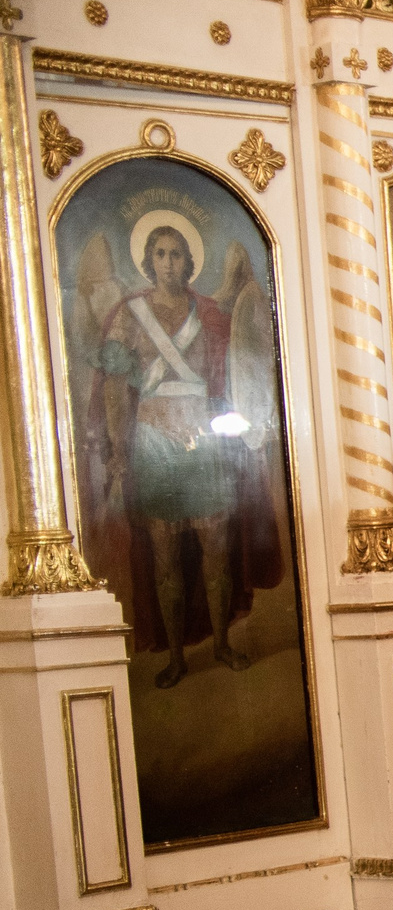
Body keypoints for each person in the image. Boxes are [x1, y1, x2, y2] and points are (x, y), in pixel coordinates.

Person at [85, 220, 280, 688]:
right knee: (165, 556)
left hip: (205, 443)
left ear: (188, 262)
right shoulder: (130, 315)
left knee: (215, 551)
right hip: (154, 443)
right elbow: (115, 388)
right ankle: (175, 656)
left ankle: (221, 644)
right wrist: (116, 448)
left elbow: (235, 371)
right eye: (161, 254)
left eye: (176, 254)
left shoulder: (209, 313)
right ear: (148, 261)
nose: (169, 263)